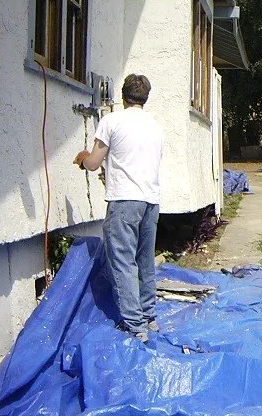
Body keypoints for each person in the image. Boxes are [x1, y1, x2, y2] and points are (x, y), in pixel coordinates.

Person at [73, 74, 164, 343]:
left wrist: (83, 159)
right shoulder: (155, 127)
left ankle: (135, 326)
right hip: (151, 201)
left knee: (123, 261)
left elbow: (93, 163)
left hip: (124, 200)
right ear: (145, 98)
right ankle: (149, 317)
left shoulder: (111, 121)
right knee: (144, 260)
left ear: (123, 97)